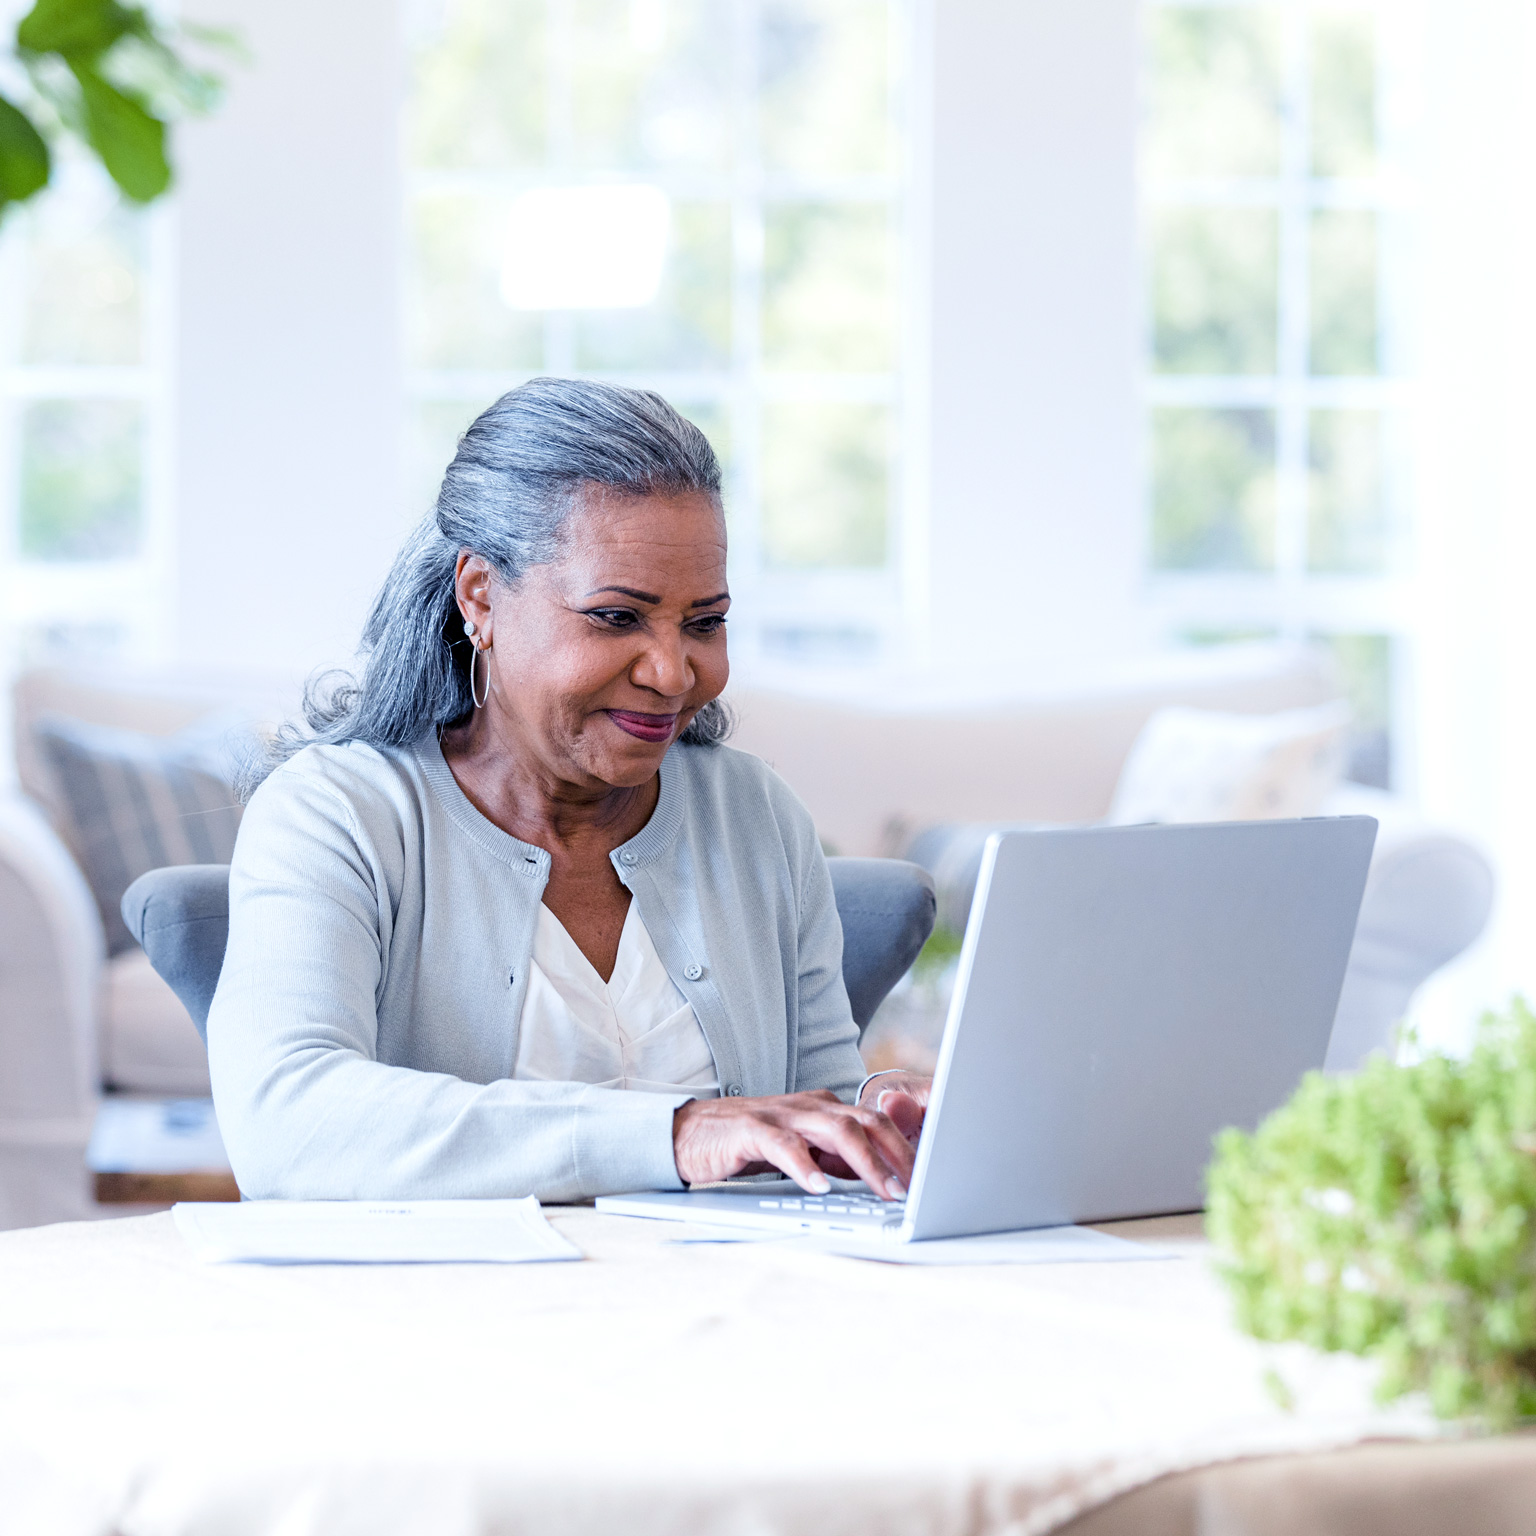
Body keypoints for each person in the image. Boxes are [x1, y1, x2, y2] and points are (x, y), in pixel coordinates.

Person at [209, 378, 930, 1202]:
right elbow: (287, 1127)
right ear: (480, 595)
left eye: (704, 623)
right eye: (617, 618)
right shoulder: (338, 815)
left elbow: (813, 1111)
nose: (671, 673)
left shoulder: (753, 813)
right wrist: (677, 1133)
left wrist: (875, 1121)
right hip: (445, 1317)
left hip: (735, 1309)